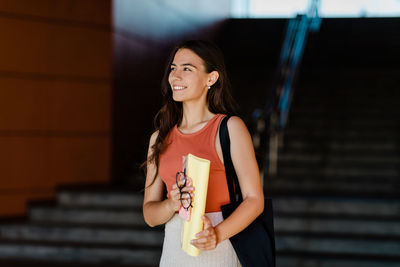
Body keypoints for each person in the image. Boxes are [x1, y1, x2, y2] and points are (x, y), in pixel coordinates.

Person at [142, 40, 264, 267]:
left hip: (220, 244)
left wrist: (217, 234)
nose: (175, 76)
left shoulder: (230, 128)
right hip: (173, 250)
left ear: (211, 78)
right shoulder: (159, 138)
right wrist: (171, 204)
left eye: (187, 69)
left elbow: (255, 200)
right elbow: (150, 215)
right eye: (173, 68)